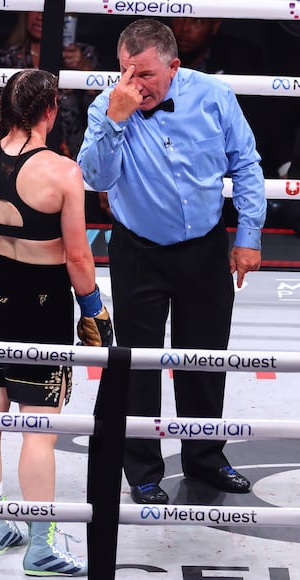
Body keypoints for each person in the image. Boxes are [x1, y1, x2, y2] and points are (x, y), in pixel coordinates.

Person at [78, 18, 266, 504]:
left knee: (204, 357)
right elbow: (95, 178)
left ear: (174, 67)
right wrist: (115, 121)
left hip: (205, 247)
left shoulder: (214, 97)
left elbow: (246, 163)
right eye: (126, 73)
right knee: (139, 363)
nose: (134, 86)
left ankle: (205, 458)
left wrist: (248, 236)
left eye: (145, 76)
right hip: (138, 249)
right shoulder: (109, 104)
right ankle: (141, 469)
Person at [0, 69, 112, 575]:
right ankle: (41, 547)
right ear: (51, 111)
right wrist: (92, 307)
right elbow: (77, 256)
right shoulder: (63, 172)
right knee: (38, 428)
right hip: (43, 301)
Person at [0, 11, 99, 160]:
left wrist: (85, 71)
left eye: (46, 12)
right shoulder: (9, 56)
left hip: (72, 151)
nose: (40, 17)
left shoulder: (84, 54)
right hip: (20, 150)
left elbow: (99, 113)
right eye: (36, 9)